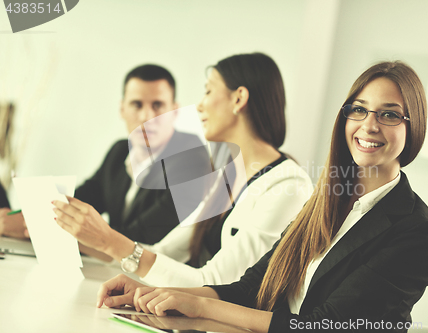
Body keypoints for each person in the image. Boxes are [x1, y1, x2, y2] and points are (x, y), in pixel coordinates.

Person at [95, 61, 428, 333]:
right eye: (359, 109)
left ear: (413, 127)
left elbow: (324, 325)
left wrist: (198, 306)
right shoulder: (325, 202)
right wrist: (151, 293)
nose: (369, 125)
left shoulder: (417, 231)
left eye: (389, 114)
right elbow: (251, 287)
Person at [53, 53, 314, 287]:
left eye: (208, 91)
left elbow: (216, 283)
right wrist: (81, 236)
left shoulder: (287, 185)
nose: (199, 105)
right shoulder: (225, 177)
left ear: (239, 98)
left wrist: (107, 240)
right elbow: (162, 253)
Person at [2, 64, 209, 245]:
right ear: (122, 109)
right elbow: (82, 200)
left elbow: (144, 237)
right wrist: (28, 217)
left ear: (175, 111)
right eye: (137, 104)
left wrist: (36, 227)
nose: (147, 116)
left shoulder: (192, 159)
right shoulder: (120, 152)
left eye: (158, 106)